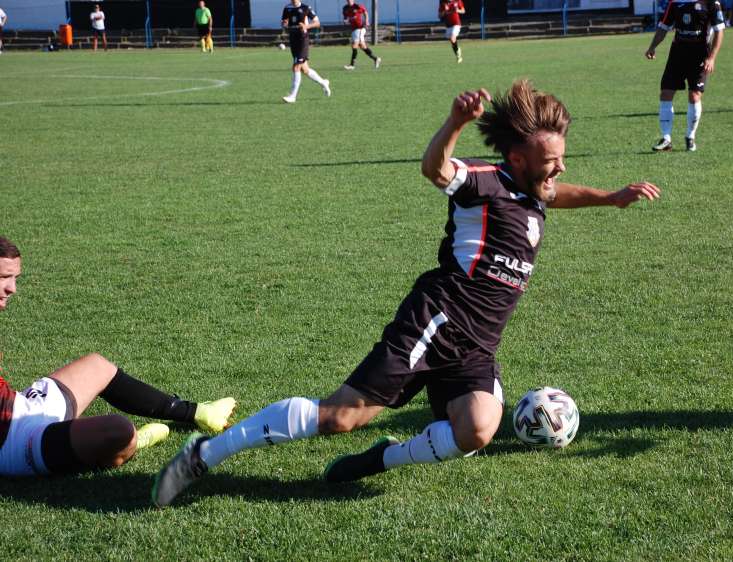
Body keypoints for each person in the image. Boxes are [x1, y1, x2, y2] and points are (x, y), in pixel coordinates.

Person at [151, 80, 660, 507]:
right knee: (339, 417)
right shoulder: (485, 183)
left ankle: (382, 458)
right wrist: (455, 122)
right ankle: (204, 455)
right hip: (434, 323)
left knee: (479, 429)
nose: (560, 170)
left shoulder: (536, 188)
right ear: (516, 157)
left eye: (561, 158)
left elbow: (557, 193)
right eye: (550, 160)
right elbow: (436, 169)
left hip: (476, 344)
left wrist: (611, 198)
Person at [0, 236, 236, 477]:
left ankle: (198, 412)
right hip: (11, 445)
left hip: (21, 408)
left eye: (14, 278)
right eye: (3, 278)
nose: (12, 288)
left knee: (97, 366)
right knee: (118, 430)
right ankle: (132, 443)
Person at [645, 0, 725, 152]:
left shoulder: (711, 3)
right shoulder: (675, 2)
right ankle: (666, 139)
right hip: (678, 53)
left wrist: (712, 57)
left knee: (694, 95)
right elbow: (663, 27)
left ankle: (690, 136)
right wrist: (652, 47)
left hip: (700, 54)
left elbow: (719, 30)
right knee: (666, 93)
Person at [281, 0, 331, 104]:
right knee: (305, 69)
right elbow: (284, 22)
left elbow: (317, 22)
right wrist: (284, 24)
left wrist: (306, 26)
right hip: (293, 40)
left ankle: (293, 96)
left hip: (302, 40)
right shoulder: (287, 8)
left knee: (296, 67)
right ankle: (323, 82)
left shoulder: (305, 8)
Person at [342, 0, 381, 70]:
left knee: (354, 45)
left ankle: (352, 65)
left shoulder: (358, 6)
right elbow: (345, 18)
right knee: (362, 46)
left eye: (350, 0)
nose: (349, 1)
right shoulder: (345, 8)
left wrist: (366, 21)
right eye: (347, 0)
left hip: (360, 28)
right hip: (354, 29)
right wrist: (345, 21)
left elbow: (365, 12)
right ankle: (376, 59)